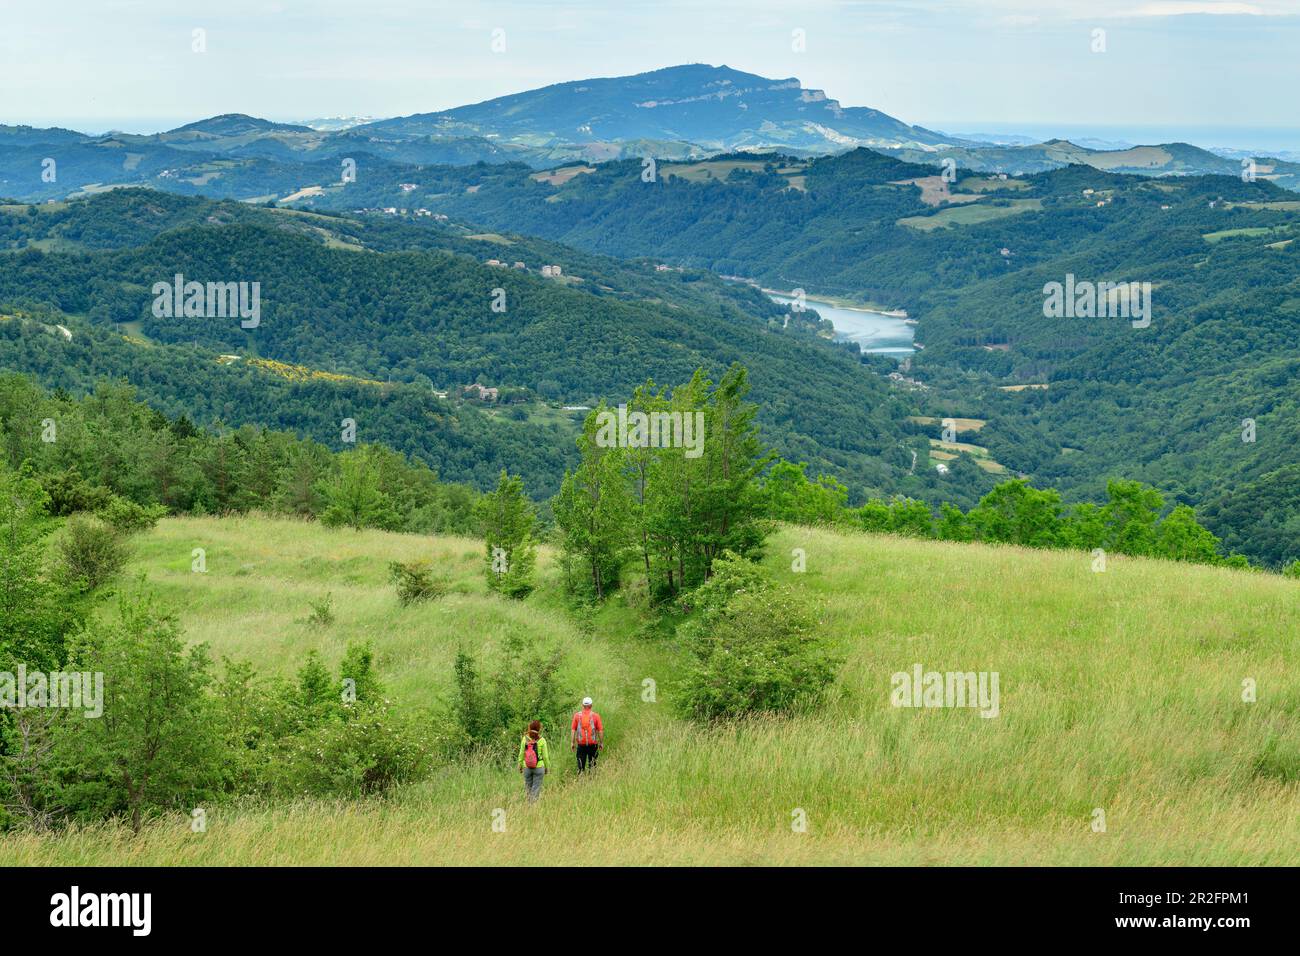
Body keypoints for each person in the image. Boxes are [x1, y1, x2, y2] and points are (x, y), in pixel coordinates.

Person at [517, 720, 549, 802]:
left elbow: (521, 753)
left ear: (529, 728)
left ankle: (528, 807)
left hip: (526, 767)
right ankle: (533, 807)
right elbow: (545, 756)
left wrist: (520, 764)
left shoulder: (525, 739)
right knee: (536, 788)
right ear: (539, 729)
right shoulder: (542, 740)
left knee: (528, 788)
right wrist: (547, 767)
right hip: (539, 767)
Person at [570, 696, 603, 772]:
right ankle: (592, 781)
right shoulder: (596, 716)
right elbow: (600, 730)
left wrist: (572, 742)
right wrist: (601, 743)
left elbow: (573, 730)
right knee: (592, 766)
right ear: (591, 705)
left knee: (580, 767)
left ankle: (581, 781)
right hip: (593, 745)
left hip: (581, 745)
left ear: (583, 705)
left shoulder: (577, 716)